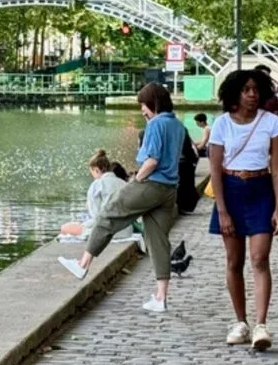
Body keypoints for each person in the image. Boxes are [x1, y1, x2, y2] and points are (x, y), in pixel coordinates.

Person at [58, 82, 186, 312]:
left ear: (152, 103)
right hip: (169, 189)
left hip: (151, 184)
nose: (142, 110)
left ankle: (83, 263)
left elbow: (152, 160)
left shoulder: (156, 124)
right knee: (158, 240)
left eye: (143, 105)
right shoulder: (177, 124)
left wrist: (137, 180)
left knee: (108, 212)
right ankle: (160, 297)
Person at [209, 69, 278, 351]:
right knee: (234, 261)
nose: (252, 95)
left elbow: (277, 168)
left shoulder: (272, 123)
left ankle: (261, 324)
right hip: (231, 189)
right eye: (246, 90)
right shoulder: (221, 125)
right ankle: (240, 321)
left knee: (260, 258)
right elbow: (215, 170)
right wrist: (222, 211)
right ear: (235, 94)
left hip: (260, 189)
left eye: (255, 89)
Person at [60, 150, 132, 239]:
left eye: (92, 173)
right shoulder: (123, 183)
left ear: (96, 170)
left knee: (65, 228)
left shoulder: (97, 185)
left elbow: (96, 216)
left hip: (106, 231)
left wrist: (83, 225)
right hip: (126, 231)